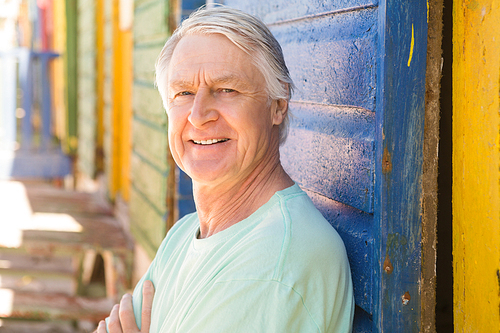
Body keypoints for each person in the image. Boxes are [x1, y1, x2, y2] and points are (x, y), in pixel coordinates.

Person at [96, 5, 354, 333]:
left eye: (226, 90)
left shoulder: (274, 261)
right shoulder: (183, 235)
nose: (199, 114)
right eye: (184, 93)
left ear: (277, 105)